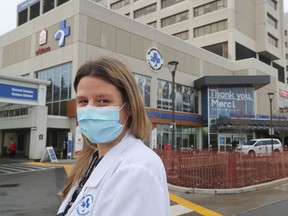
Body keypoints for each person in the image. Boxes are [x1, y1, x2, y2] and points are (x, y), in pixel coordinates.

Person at [57, 57, 170, 216]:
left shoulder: (138, 168)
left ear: (129, 106)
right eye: (83, 101)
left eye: (103, 101)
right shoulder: (93, 159)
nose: (89, 110)